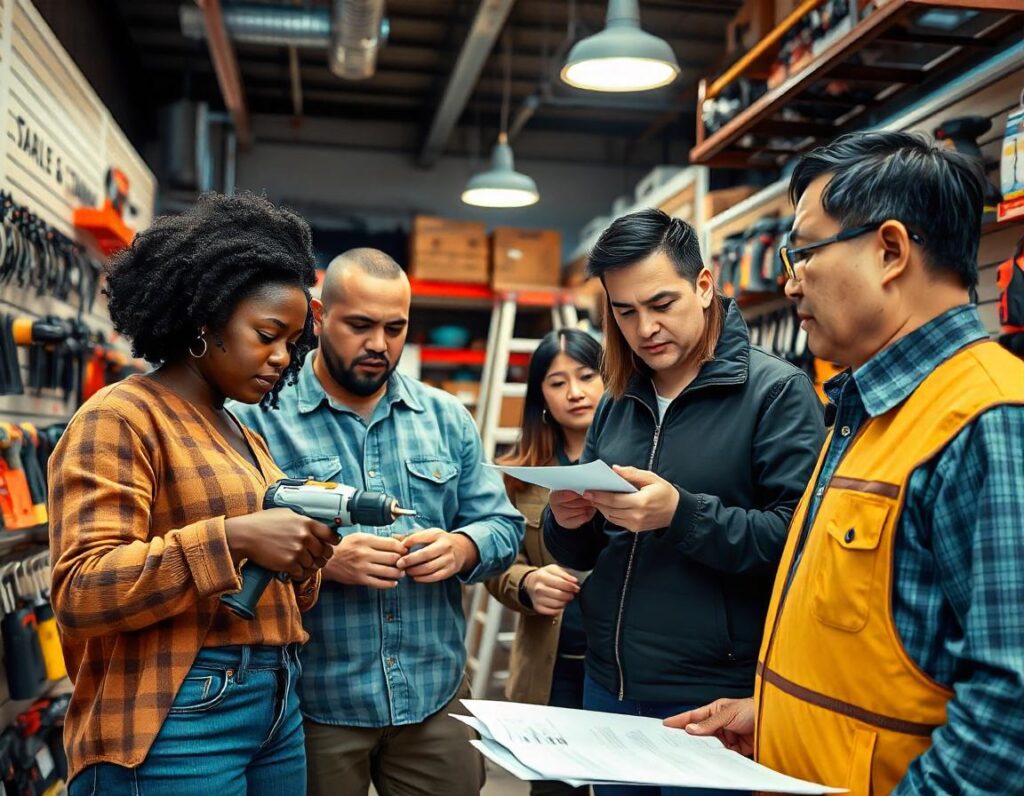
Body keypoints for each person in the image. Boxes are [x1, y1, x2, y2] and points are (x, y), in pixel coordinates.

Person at [666, 131, 1024, 795]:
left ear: (889, 250)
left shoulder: (987, 419)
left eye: (803, 252)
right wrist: (781, 717)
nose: (787, 279)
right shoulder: (865, 409)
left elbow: (1010, 715)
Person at [49, 192, 337, 795]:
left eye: (292, 342)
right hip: (178, 712)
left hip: (275, 700)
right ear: (205, 321)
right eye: (267, 335)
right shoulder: (123, 416)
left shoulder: (241, 431)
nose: (283, 358)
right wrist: (235, 537)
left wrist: (303, 556)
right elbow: (81, 589)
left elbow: (271, 581)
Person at [544, 209, 825, 796]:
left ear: (703, 285)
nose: (644, 328)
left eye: (661, 304)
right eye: (625, 312)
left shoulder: (777, 392)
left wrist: (680, 514)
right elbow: (589, 548)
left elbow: (799, 545)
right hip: (610, 686)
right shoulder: (618, 400)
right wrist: (568, 521)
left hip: (711, 700)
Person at [232, 248, 525, 796]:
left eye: (395, 328)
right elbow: (225, 545)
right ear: (319, 318)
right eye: (360, 325)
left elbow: (502, 526)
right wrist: (321, 561)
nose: (378, 345)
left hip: (433, 701)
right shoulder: (259, 419)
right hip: (315, 704)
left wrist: (462, 548)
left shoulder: (445, 418)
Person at [485, 328, 605, 796]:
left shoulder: (640, 463)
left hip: (619, 670)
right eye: (557, 382)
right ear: (541, 397)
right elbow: (496, 562)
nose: (575, 392)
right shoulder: (520, 476)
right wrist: (528, 582)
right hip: (549, 673)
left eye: (586, 375)